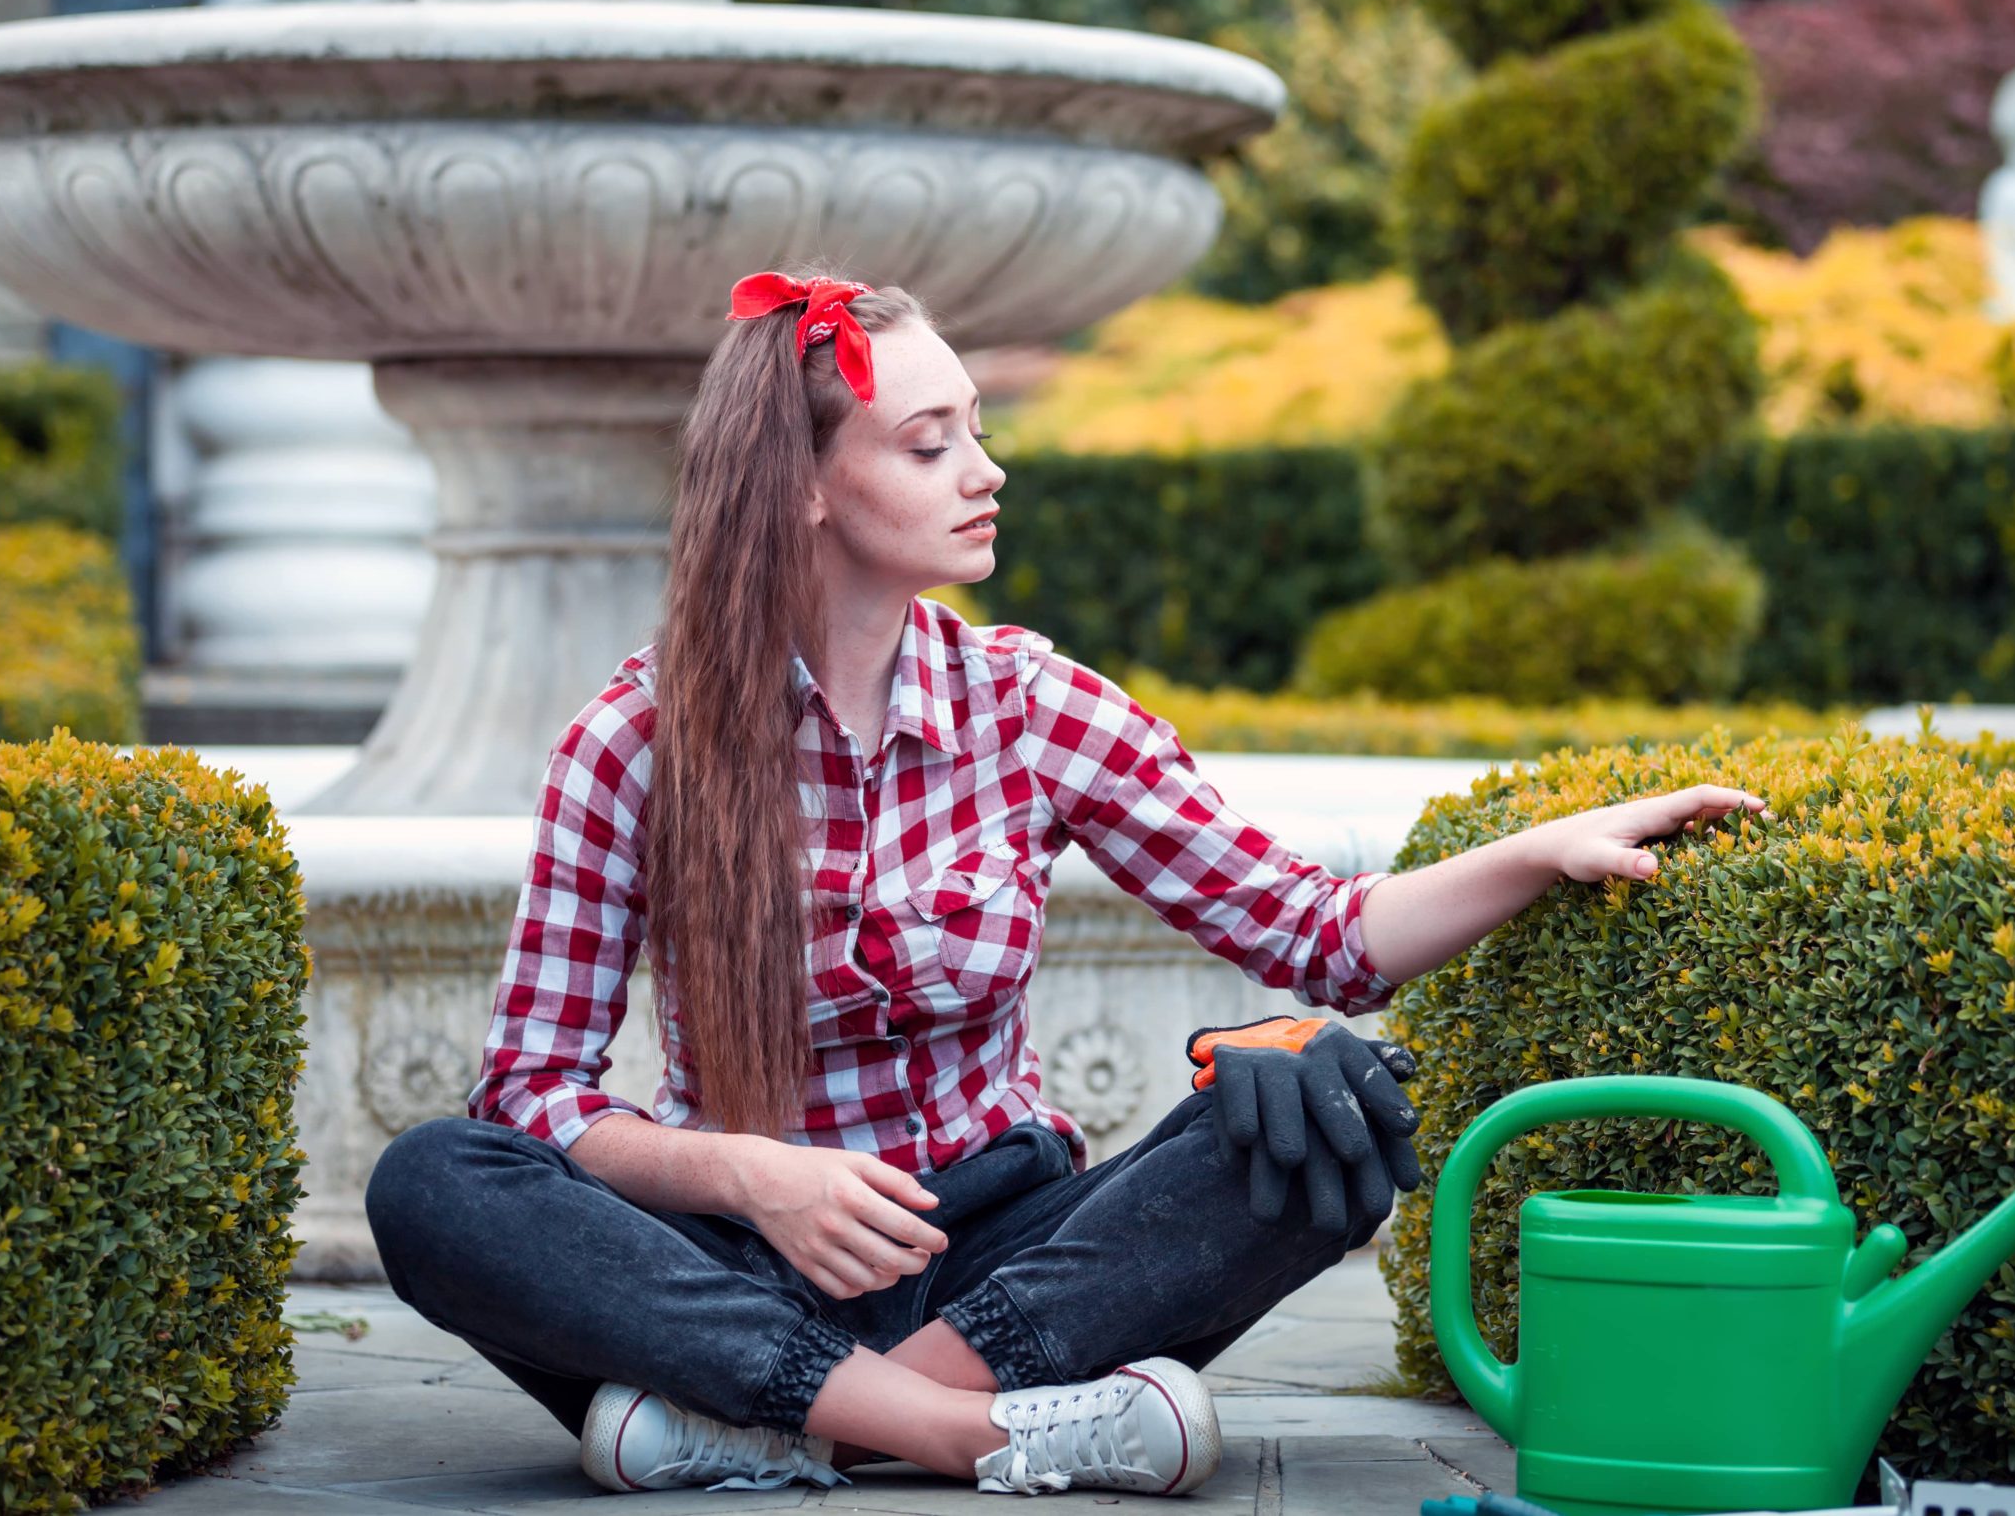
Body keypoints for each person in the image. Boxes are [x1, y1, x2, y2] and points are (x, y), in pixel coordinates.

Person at [363, 270, 1773, 1500]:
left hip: (1007, 1261)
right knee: (435, 1183)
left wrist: (1541, 848)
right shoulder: (637, 742)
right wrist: (752, 1174)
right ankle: (969, 1437)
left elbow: (1318, 934)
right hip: (733, 1270)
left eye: (979, 427)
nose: (987, 470)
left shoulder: (1030, 705)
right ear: (800, 484)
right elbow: (537, 1098)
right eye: (931, 443)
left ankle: (776, 1433)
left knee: (1327, 1110)